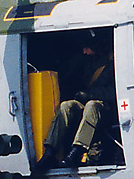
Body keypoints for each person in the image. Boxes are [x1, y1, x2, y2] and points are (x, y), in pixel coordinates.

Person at [38, 33, 116, 169]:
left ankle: (77, 151)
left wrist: (89, 95)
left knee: (92, 106)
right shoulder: (88, 62)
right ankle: (50, 152)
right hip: (88, 107)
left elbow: (114, 92)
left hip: (109, 109)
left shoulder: (112, 64)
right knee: (66, 106)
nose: (84, 51)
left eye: (87, 48)